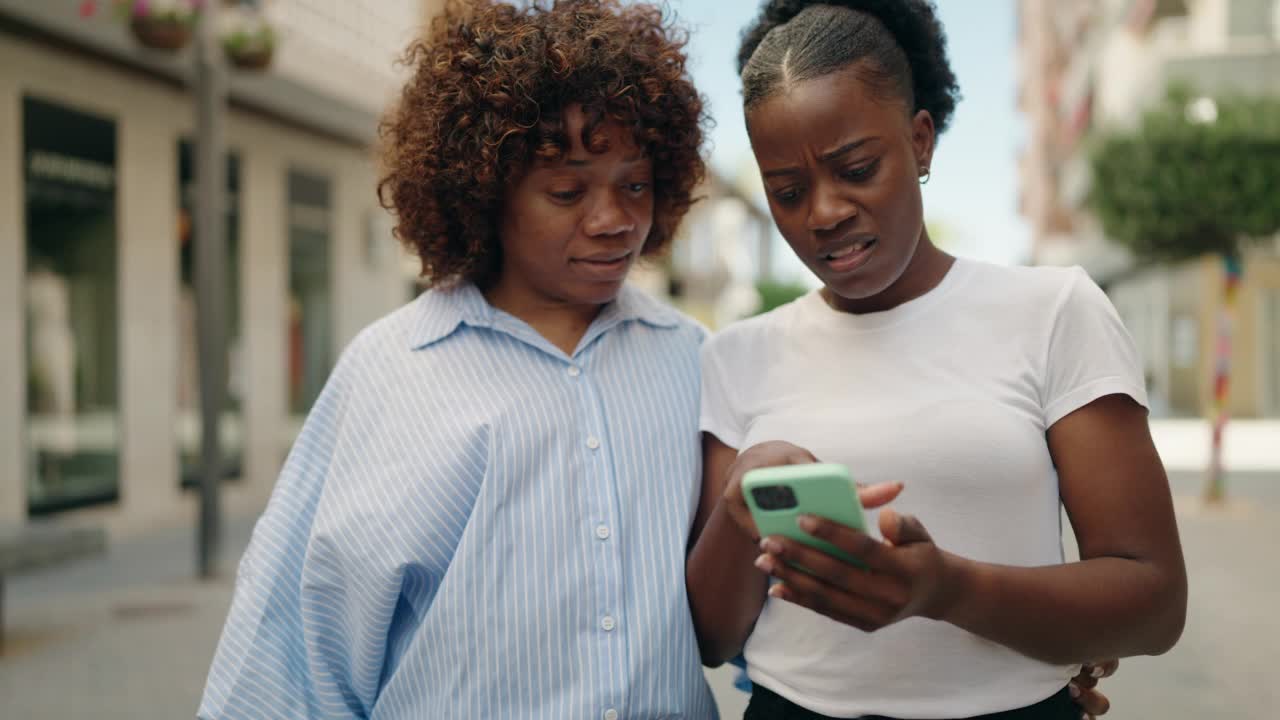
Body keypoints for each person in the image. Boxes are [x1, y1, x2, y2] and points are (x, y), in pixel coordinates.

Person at [197, 1, 728, 716]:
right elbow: (294, 642)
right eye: (567, 191)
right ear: (482, 193)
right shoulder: (391, 370)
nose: (613, 221)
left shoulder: (691, 360)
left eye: (635, 185)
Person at [686, 2, 1187, 719]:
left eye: (857, 168)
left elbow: (1156, 603)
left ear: (920, 141)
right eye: (787, 192)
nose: (823, 212)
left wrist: (945, 589)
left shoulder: (1052, 313)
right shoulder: (735, 355)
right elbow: (711, 636)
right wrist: (740, 511)